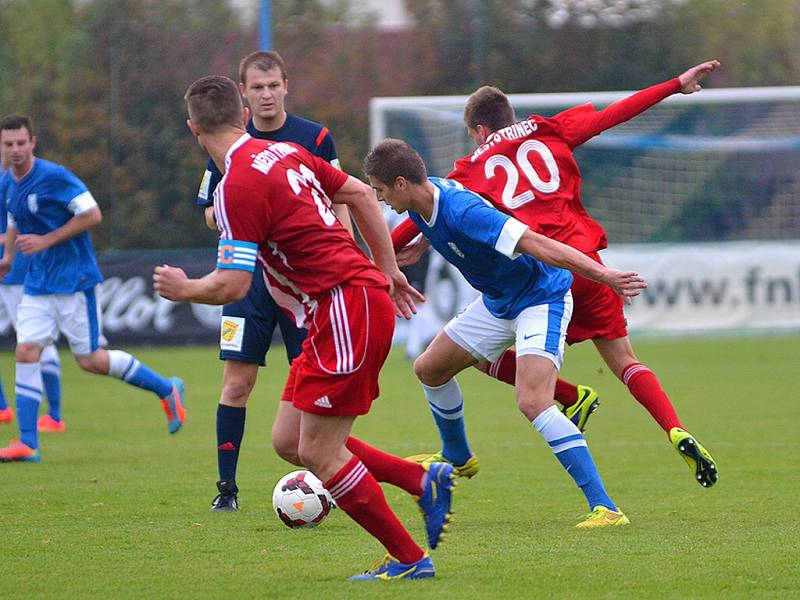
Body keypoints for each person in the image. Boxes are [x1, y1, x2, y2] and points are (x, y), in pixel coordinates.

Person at [155, 75, 455, 580]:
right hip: (337, 307)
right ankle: (419, 480)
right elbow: (361, 193)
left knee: (318, 451)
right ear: (244, 115)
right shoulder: (286, 153)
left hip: (342, 307)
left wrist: (185, 289)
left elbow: (230, 285)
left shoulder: (234, 187)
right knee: (289, 441)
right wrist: (386, 269)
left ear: (193, 129)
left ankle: (409, 559)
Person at [390, 60, 721, 488]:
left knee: (473, 349)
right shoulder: (548, 130)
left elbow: (424, 212)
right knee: (625, 362)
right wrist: (675, 84)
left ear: (477, 130)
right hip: (589, 265)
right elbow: (613, 114)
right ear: (510, 118)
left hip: (540, 278)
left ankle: (570, 398)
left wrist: (405, 246)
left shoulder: (471, 168)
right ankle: (674, 426)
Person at [364, 139, 646, 528]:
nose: (378, 199)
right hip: (498, 302)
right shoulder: (425, 199)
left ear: (400, 184)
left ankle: (606, 508)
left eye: (379, 191)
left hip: (540, 298)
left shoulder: (465, 211)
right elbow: (434, 224)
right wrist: (420, 248)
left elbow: (535, 242)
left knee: (532, 401)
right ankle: (458, 457)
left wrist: (604, 275)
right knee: (430, 368)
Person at [195, 51, 352, 512]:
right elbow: (208, 211)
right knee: (236, 383)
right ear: (241, 94)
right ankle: (227, 489)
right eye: (256, 87)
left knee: (313, 387)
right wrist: (236, 216)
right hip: (250, 281)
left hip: (305, 282)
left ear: (286, 85)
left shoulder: (314, 138)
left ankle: (331, 475)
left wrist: (346, 248)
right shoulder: (227, 145)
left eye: (272, 85)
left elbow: (341, 195)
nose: (266, 94)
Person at [0, 115, 186, 463]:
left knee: (90, 361)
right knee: (26, 351)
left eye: (20, 143)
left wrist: (47, 240)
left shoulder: (54, 176)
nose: (14, 149)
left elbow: (92, 214)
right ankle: (27, 443)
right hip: (38, 284)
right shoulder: (7, 183)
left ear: (32, 142)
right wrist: (8, 259)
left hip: (75, 282)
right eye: (8, 143)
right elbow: (14, 220)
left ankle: (166, 388)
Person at [0, 145, 63, 431]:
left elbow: (21, 229)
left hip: (17, 274)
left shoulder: (18, 185)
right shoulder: (10, 183)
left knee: (35, 342)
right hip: (11, 271)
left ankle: (55, 414)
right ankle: (3, 409)